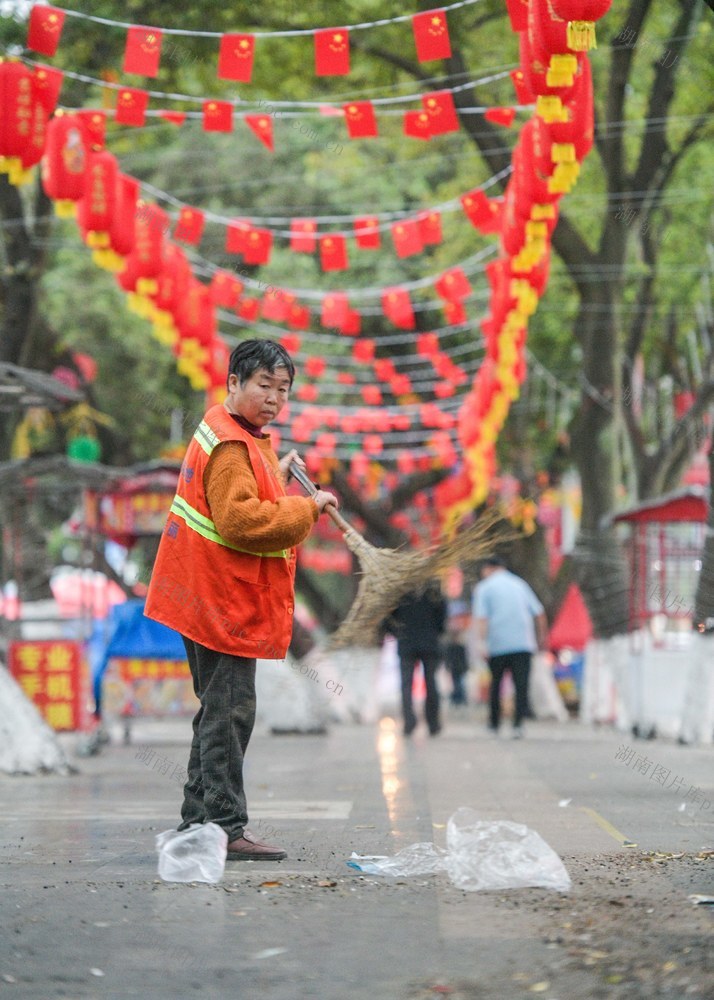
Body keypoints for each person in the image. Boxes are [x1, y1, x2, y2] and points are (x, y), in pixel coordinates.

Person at [144, 339, 338, 861]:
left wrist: (276, 476)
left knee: (217, 712)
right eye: (263, 386)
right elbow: (241, 520)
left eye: (283, 390)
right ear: (234, 383)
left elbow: (235, 497)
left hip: (204, 595)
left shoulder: (228, 431)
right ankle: (225, 829)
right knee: (229, 714)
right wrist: (306, 508)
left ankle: (195, 823)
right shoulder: (232, 444)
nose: (274, 399)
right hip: (218, 602)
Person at [472, 556, 548, 738]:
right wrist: (541, 639)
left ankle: (494, 724)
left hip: (497, 644)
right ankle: (518, 725)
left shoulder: (485, 587)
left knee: (496, 685)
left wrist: (481, 644)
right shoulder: (520, 584)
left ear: (489, 568)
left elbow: (482, 619)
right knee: (521, 686)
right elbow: (539, 613)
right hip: (523, 644)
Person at [388, 584, 447, 736]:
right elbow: (442, 617)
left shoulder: (399, 589)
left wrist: (397, 633)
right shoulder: (433, 588)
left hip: (406, 643)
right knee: (431, 683)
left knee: (406, 685)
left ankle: (409, 723)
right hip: (429, 643)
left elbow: (389, 617)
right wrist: (436, 631)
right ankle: (433, 724)